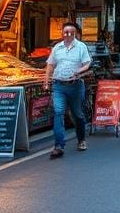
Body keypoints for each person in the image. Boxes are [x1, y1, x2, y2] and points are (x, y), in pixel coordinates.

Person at [44, 21, 92, 157]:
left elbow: (87, 64)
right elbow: (50, 65)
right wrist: (46, 80)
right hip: (59, 85)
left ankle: (81, 139)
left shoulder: (81, 47)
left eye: (71, 32)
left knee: (77, 114)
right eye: (66, 32)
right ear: (62, 33)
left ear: (75, 33)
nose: (68, 34)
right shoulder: (57, 48)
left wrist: (78, 71)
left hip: (75, 85)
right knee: (58, 113)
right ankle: (59, 145)